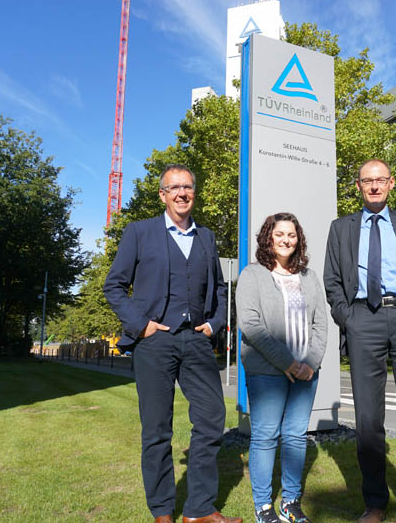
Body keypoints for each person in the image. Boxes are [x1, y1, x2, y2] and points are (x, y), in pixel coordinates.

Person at [103, 164, 241, 523]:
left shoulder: (206, 237)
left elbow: (221, 287)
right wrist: (140, 325)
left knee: (212, 417)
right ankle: (162, 511)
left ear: (194, 193)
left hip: (196, 339)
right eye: (174, 188)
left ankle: (198, 510)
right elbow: (114, 286)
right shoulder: (139, 232)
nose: (182, 193)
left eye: (188, 187)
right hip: (154, 342)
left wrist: (214, 324)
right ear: (162, 195)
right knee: (156, 429)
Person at [323, 160, 396, 523]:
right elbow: (332, 282)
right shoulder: (341, 228)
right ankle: (375, 502)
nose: (374, 186)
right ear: (357, 186)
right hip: (364, 320)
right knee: (368, 416)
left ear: (391, 183)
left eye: (380, 180)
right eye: (367, 181)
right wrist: (349, 319)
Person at [236, 213, 328, 523]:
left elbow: (320, 323)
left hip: (306, 372)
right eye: (280, 234)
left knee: (295, 437)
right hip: (267, 371)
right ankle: (263, 507)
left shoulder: (310, 277)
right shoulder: (252, 275)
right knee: (265, 437)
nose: (286, 239)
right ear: (268, 237)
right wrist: (287, 363)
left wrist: (310, 363)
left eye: (292, 234)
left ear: (298, 240)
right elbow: (250, 324)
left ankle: (290, 502)